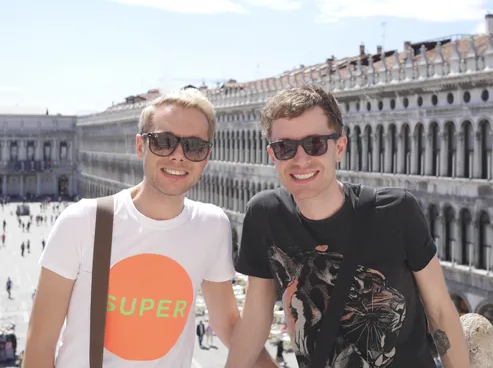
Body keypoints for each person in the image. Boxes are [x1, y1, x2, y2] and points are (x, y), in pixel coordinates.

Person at [23, 89, 275, 367]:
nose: (178, 156)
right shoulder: (82, 221)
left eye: (194, 147)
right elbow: (40, 343)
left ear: (206, 157)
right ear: (141, 146)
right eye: (164, 142)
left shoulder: (211, 225)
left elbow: (229, 325)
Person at [224, 85, 469, 368]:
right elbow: (255, 318)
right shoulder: (265, 214)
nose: (300, 160)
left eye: (315, 144)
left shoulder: (396, 211)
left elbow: (440, 311)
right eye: (285, 148)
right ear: (272, 155)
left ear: (339, 148)